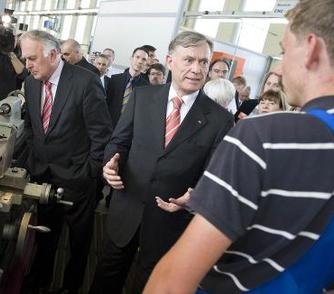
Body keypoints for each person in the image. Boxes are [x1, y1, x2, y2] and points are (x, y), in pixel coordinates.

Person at [145, 1, 334, 293]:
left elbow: (171, 283)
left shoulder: (263, 137)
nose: (280, 68)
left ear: (311, 49)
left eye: (283, 52)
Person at [90, 31, 234, 294]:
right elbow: (118, 141)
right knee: (106, 275)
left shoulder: (219, 119)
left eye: (204, 62)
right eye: (189, 60)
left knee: (150, 284)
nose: (196, 69)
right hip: (127, 207)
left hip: (170, 223)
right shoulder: (142, 97)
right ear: (170, 60)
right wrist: (110, 164)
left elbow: (214, 175)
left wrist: (195, 197)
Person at [19, 30, 112, 294]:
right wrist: (30, 162)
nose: (28, 65)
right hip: (43, 176)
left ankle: (71, 286)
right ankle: (40, 281)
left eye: (32, 58)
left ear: (52, 54)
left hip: (78, 179)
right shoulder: (31, 82)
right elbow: (31, 127)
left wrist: (88, 174)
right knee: (45, 235)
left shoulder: (86, 82)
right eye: (25, 59)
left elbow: (101, 135)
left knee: (78, 243)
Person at [106, 46, 149, 127]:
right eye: (137, 57)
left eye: (144, 59)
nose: (140, 61)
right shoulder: (115, 79)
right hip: (109, 125)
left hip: (129, 129)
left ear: (146, 64)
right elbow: (107, 104)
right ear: (131, 58)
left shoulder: (146, 87)